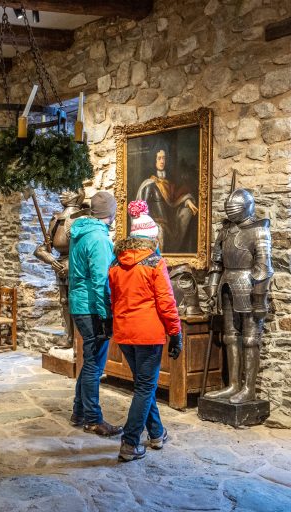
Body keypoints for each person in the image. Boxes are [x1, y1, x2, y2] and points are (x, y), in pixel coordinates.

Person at [109, 200, 182, 462]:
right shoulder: (154, 263)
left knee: (143, 385)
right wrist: (176, 332)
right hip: (148, 333)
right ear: (152, 238)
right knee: (144, 387)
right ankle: (129, 443)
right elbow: (166, 302)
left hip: (125, 333)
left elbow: (114, 299)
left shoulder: (116, 264)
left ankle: (157, 433)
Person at [204, 180, 272, 404]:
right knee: (230, 336)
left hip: (249, 284)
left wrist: (260, 299)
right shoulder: (225, 230)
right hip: (227, 283)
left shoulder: (259, 231)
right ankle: (233, 384)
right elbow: (216, 263)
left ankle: (248, 388)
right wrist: (212, 289)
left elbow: (263, 268)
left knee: (251, 339)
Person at [68, 191, 122, 436]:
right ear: (110, 214)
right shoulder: (99, 239)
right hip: (91, 307)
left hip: (80, 303)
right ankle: (93, 419)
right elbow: (102, 281)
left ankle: (79, 412)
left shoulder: (81, 232)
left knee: (89, 362)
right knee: (94, 366)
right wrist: (106, 315)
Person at [33, 189, 90, 346]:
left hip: (77, 266)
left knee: (77, 301)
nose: (62, 194)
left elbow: (86, 249)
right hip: (59, 264)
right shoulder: (56, 220)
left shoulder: (82, 219)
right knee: (64, 300)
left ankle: (79, 340)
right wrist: (51, 259)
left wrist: (71, 265)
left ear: (78, 195)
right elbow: (41, 248)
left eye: (70, 191)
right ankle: (69, 337)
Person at [135, 147, 198, 252]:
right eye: (159, 158)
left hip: (169, 226)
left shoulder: (168, 184)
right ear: (153, 160)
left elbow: (174, 200)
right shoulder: (149, 184)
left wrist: (187, 201)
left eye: (164, 158)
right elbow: (143, 211)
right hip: (156, 226)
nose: (162, 161)